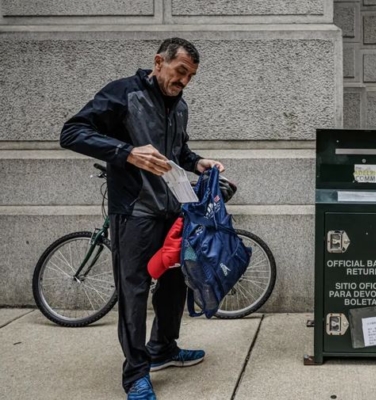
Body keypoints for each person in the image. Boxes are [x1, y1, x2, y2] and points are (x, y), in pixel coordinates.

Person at [60, 37, 224, 400]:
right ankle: (136, 374)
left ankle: (163, 348)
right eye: (180, 72)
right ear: (159, 62)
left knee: (175, 283)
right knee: (134, 292)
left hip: (173, 210)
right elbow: (71, 132)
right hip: (135, 212)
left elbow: (177, 153)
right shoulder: (123, 93)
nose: (184, 82)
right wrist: (126, 152)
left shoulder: (179, 107)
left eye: (191, 76)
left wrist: (198, 162)